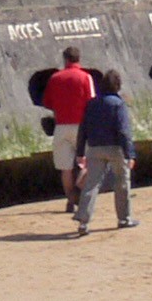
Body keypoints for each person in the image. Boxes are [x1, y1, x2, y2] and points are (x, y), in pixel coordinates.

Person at [73, 69, 137, 235]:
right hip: (115, 148)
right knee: (122, 183)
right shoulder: (118, 104)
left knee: (91, 185)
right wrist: (130, 153)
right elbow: (124, 131)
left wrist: (80, 151)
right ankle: (124, 218)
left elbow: (83, 129)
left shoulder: (91, 104)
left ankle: (83, 221)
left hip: (94, 148)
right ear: (117, 85)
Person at [41, 47, 97, 203]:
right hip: (82, 126)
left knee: (66, 168)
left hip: (61, 126)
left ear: (65, 59)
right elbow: (91, 102)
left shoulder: (55, 78)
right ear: (78, 59)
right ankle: (80, 187)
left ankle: (71, 200)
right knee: (89, 162)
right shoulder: (86, 77)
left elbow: (47, 102)